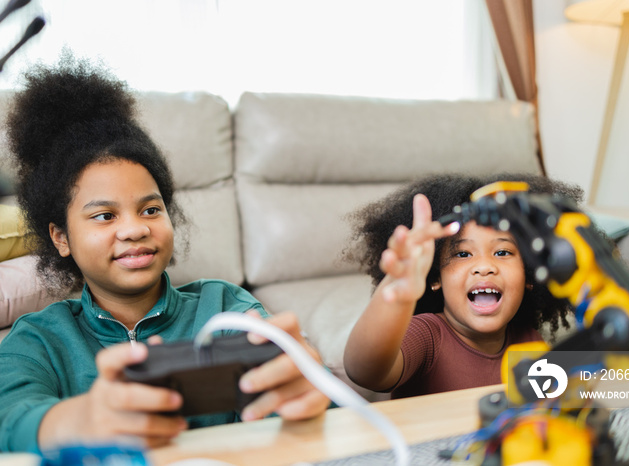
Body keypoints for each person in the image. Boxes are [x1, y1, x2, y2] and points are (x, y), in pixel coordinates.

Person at [0, 54, 329, 453]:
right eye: (105, 215)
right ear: (61, 238)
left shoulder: (223, 306)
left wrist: (302, 379)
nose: (136, 228)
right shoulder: (40, 338)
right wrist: (80, 419)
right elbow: (10, 417)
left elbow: (285, 380)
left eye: (151, 210)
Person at [343, 173, 582, 399]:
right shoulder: (428, 336)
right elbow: (365, 371)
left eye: (502, 252)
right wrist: (397, 292)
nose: (484, 266)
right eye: (463, 254)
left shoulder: (529, 341)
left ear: (529, 274)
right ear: (435, 277)